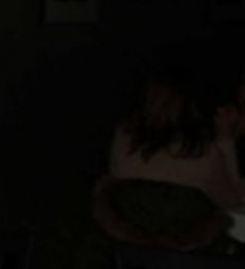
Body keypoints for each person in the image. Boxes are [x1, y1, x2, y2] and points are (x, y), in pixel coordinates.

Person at [96, 63, 243, 251]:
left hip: (131, 258)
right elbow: (234, 204)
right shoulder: (203, 153)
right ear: (192, 106)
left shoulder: (123, 138)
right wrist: (226, 142)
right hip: (192, 261)